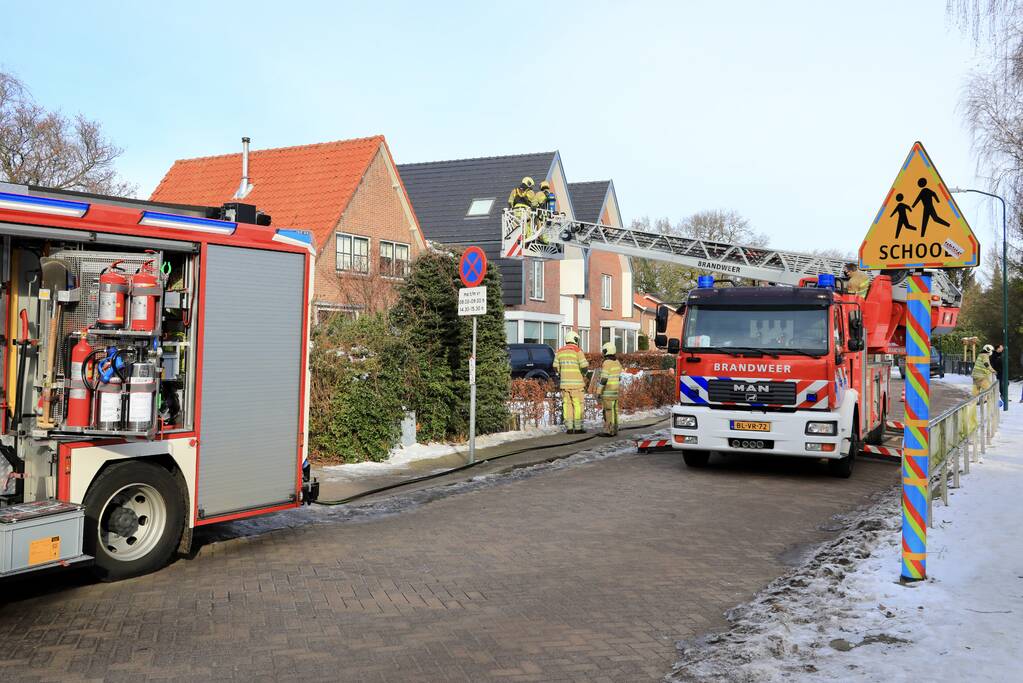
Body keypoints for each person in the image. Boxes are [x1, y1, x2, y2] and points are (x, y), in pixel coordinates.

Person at [553, 330, 589, 433]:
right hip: (577, 385)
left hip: (564, 384)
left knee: (567, 404)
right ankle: (578, 428)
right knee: (577, 404)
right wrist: (584, 374)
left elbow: (555, 366)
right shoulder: (577, 350)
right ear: (575, 339)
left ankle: (569, 427)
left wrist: (561, 373)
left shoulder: (559, 351)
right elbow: (584, 366)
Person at [595, 342, 623, 436]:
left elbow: (604, 379)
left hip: (608, 392)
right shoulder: (617, 362)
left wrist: (598, 391)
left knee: (608, 411)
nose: (603, 353)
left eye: (604, 351)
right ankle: (615, 429)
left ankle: (608, 431)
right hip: (615, 392)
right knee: (614, 411)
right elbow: (619, 377)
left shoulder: (607, 363)